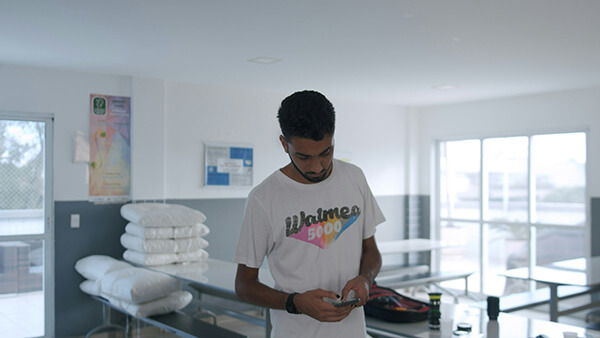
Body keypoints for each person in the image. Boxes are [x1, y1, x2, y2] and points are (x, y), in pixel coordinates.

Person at [234, 90, 385, 337]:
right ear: (284, 144)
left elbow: (371, 251)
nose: (317, 167)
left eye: (326, 153)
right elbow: (244, 286)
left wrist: (365, 279)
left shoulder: (354, 178)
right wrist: (295, 303)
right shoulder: (264, 198)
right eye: (303, 157)